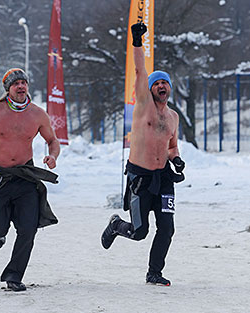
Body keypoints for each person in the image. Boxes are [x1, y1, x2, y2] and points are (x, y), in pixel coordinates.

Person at [101, 23, 186, 286]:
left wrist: (176, 159)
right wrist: (137, 40)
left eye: (165, 83)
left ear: (170, 88)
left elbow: (172, 145)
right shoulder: (144, 106)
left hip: (164, 179)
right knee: (140, 232)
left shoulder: (173, 116)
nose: (161, 86)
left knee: (167, 229)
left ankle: (154, 273)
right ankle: (116, 225)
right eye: (157, 83)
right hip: (140, 178)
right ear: (149, 89)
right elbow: (140, 70)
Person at [0, 68, 61, 292]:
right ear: (8, 88)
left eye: (23, 83)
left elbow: (53, 140)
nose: (21, 86)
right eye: (16, 83)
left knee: (28, 229)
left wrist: (53, 155)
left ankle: (14, 276)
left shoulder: (37, 114)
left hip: (24, 177)